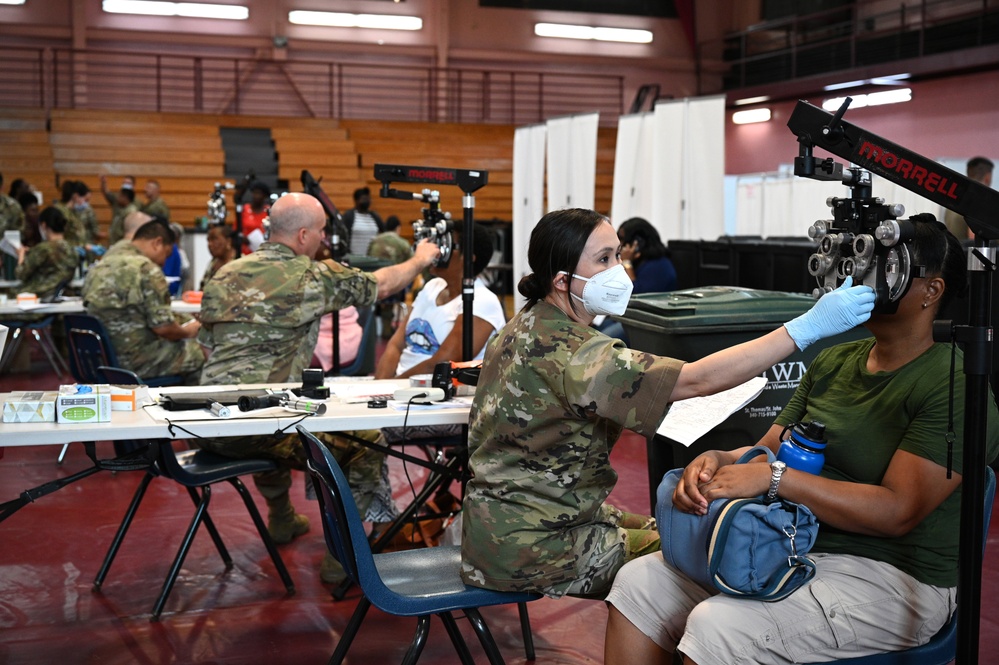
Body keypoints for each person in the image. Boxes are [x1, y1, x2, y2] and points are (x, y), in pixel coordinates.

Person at [603, 217, 999, 664]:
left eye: (887, 268)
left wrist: (774, 479)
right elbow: (769, 449)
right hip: (798, 544)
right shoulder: (833, 361)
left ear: (932, 291)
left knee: (721, 627)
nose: (864, 277)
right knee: (640, 583)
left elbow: (897, 512)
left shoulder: (953, 384)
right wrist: (717, 457)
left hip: (893, 575)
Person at [458, 208, 875, 599]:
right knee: (699, 545)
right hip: (536, 547)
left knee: (666, 524)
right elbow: (698, 378)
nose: (617, 271)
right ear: (562, 280)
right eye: (602, 260)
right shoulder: (579, 353)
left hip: (496, 529)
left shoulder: (524, 324)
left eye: (617, 255)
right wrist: (808, 327)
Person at [195, 192, 439, 563]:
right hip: (258, 428)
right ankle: (344, 559)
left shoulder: (224, 273)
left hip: (207, 422)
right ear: (304, 235)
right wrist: (421, 258)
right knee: (364, 443)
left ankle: (281, 518)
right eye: (322, 232)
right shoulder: (310, 276)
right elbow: (383, 284)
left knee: (276, 424)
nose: (325, 240)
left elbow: (206, 346)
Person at [375, 223, 505, 379]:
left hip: (433, 392)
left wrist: (392, 387)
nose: (437, 252)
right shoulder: (431, 287)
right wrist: (379, 387)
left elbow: (442, 362)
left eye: (446, 247)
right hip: (398, 389)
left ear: (468, 258)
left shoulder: (483, 301)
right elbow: (395, 346)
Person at [82, 219, 204, 383]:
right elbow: (164, 328)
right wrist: (190, 330)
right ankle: (190, 405)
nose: (163, 262)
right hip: (133, 361)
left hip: (99, 358)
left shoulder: (101, 265)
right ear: (157, 243)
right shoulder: (146, 269)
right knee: (202, 352)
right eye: (166, 255)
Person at [14, 206, 78, 301]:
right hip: (60, 298)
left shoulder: (43, 249)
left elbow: (21, 274)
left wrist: (21, 255)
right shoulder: (72, 249)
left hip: (37, 299)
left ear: (43, 225)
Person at [367, 214, 415, 340]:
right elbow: (412, 265)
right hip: (394, 289)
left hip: (373, 285)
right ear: (398, 228)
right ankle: (387, 328)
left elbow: (367, 260)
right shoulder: (403, 244)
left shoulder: (374, 241)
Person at [617, 217, 677, 293]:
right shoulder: (639, 262)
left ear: (637, 243)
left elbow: (633, 293)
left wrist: (627, 262)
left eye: (622, 239)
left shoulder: (658, 265)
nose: (619, 244)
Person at [944, 156, 994, 240]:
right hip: (971, 252)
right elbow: (974, 237)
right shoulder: (980, 200)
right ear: (987, 177)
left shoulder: (954, 198)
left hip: (954, 249)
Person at [342, 186, 384, 256]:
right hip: (354, 259)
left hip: (372, 259)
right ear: (356, 200)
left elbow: (384, 233)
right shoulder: (349, 216)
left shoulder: (375, 216)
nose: (367, 200)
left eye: (368, 198)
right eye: (364, 198)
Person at [200, 224, 236, 289]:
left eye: (214, 239)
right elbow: (202, 288)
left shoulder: (241, 262)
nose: (210, 244)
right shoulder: (213, 263)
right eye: (208, 240)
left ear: (228, 241)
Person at [238, 180, 270, 253]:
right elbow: (237, 229)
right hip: (245, 251)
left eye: (259, 193)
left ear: (264, 196)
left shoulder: (268, 211)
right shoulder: (245, 209)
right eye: (254, 193)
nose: (256, 196)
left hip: (262, 251)